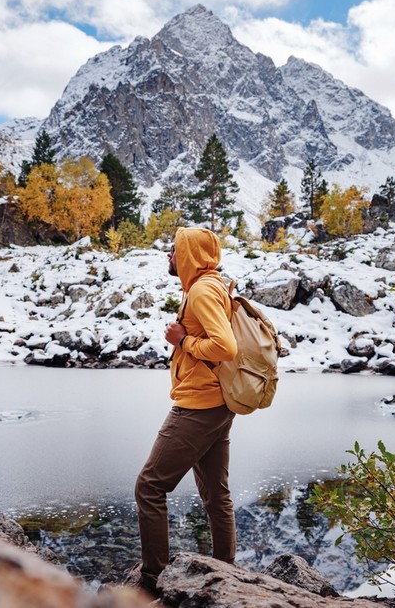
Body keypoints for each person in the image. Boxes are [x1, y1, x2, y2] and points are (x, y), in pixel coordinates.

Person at [133, 226, 238, 594]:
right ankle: (228, 573)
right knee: (215, 493)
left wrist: (183, 340)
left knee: (149, 486)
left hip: (199, 406)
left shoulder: (203, 290)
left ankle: (152, 579)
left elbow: (226, 348)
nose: (169, 255)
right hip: (216, 403)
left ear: (189, 254)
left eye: (174, 250)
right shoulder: (210, 284)